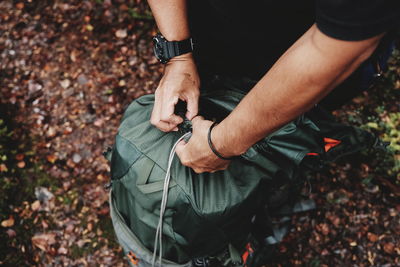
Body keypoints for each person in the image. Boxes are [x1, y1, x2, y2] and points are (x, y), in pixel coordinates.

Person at [146, 0, 400, 174]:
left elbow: (338, 46)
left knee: (291, 135)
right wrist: (178, 55)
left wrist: (222, 144)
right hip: (212, 35)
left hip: (313, 62)